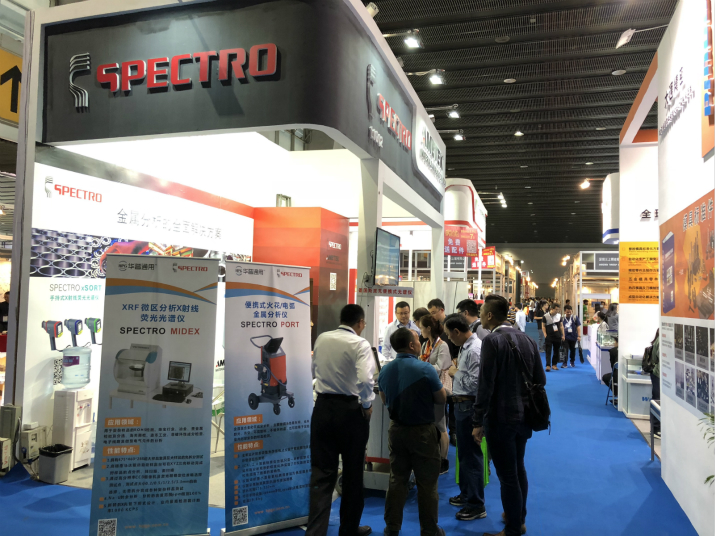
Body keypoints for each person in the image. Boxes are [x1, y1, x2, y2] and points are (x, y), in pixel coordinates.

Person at [472, 294, 546, 536]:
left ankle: (513, 528)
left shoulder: (492, 341)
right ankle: (517, 517)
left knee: (507, 476)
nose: (480, 317)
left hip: (500, 417)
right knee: (518, 467)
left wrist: (477, 420)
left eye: (481, 313)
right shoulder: (527, 339)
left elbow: (485, 385)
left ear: (489, 315)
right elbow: (540, 379)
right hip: (525, 415)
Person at [307, 304, 375, 536]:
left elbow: (313, 370)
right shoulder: (360, 343)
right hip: (350, 412)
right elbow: (365, 380)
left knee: (321, 473)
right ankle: (348, 529)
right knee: (353, 473)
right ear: (360, 322)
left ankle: (315, 532)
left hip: (323, 409)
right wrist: (366, 405)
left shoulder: (322, 338)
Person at [379, 328, 447, 536]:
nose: (420, 342)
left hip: (396, 430)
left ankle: (392, 527)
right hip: (422, 432)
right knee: (427, 483)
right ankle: (429, 530)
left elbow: (384, 399)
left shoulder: (385, 370)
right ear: (411, 345)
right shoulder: (425, 369)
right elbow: (441, 398)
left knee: (397, 479)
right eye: (417, 339)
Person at [444, 314, 486, 522]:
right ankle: (467, 493)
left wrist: (455, 372)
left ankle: (476, 504)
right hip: (462, 405)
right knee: (464, 455)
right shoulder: (465, 347)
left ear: (457, 331)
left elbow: (476, 384)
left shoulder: (474, 349)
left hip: (469, 406)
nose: (449, 339)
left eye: (449, 335)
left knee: (471, 456)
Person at [418, 314, 452, 475]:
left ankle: (443, 461)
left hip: (439, 389)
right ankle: (433, 456)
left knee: (441, 425)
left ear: (428, 328)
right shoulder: (426, 344)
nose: (420, 330)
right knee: (431, 423)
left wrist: (422, 367)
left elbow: (440, 367)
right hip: (427, 388)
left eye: (422, 328)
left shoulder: (442, 345)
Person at [542, 303, 564, 372]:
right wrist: (545, 334)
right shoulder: (545, 316)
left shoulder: (559, 316)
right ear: (551, 309)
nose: (557, 311)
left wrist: (563, 335)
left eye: (558, 310)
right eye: (556, 309)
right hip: (549, 336)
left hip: (557, 336)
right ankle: (548, 365)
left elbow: (561, 326)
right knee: (548, 351)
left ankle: (554, 364)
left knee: (556, 351)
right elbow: (543, 326)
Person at [650, 330, 661, 438]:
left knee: (657, 400)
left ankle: (656, 427)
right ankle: (655, 428)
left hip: (658, 374)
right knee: (657, 401)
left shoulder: (658, 340)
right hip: (658, 374)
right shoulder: (660, 341)